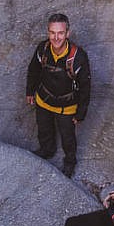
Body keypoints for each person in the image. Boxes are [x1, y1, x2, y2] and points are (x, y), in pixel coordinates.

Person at [26, 13, 92, 178]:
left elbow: (85, 87)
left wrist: (81, 113)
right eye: (52, 33)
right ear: (48, 33)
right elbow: (33, 70)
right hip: (44, 99)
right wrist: (30, 91)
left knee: (68, 137)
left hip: (66, 106)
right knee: (44, 129)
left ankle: (69, 162)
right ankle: (47, 150)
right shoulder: (43, 49)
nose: (56, 37)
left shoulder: (78, 58)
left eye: (60, 33)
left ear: (67, 33)